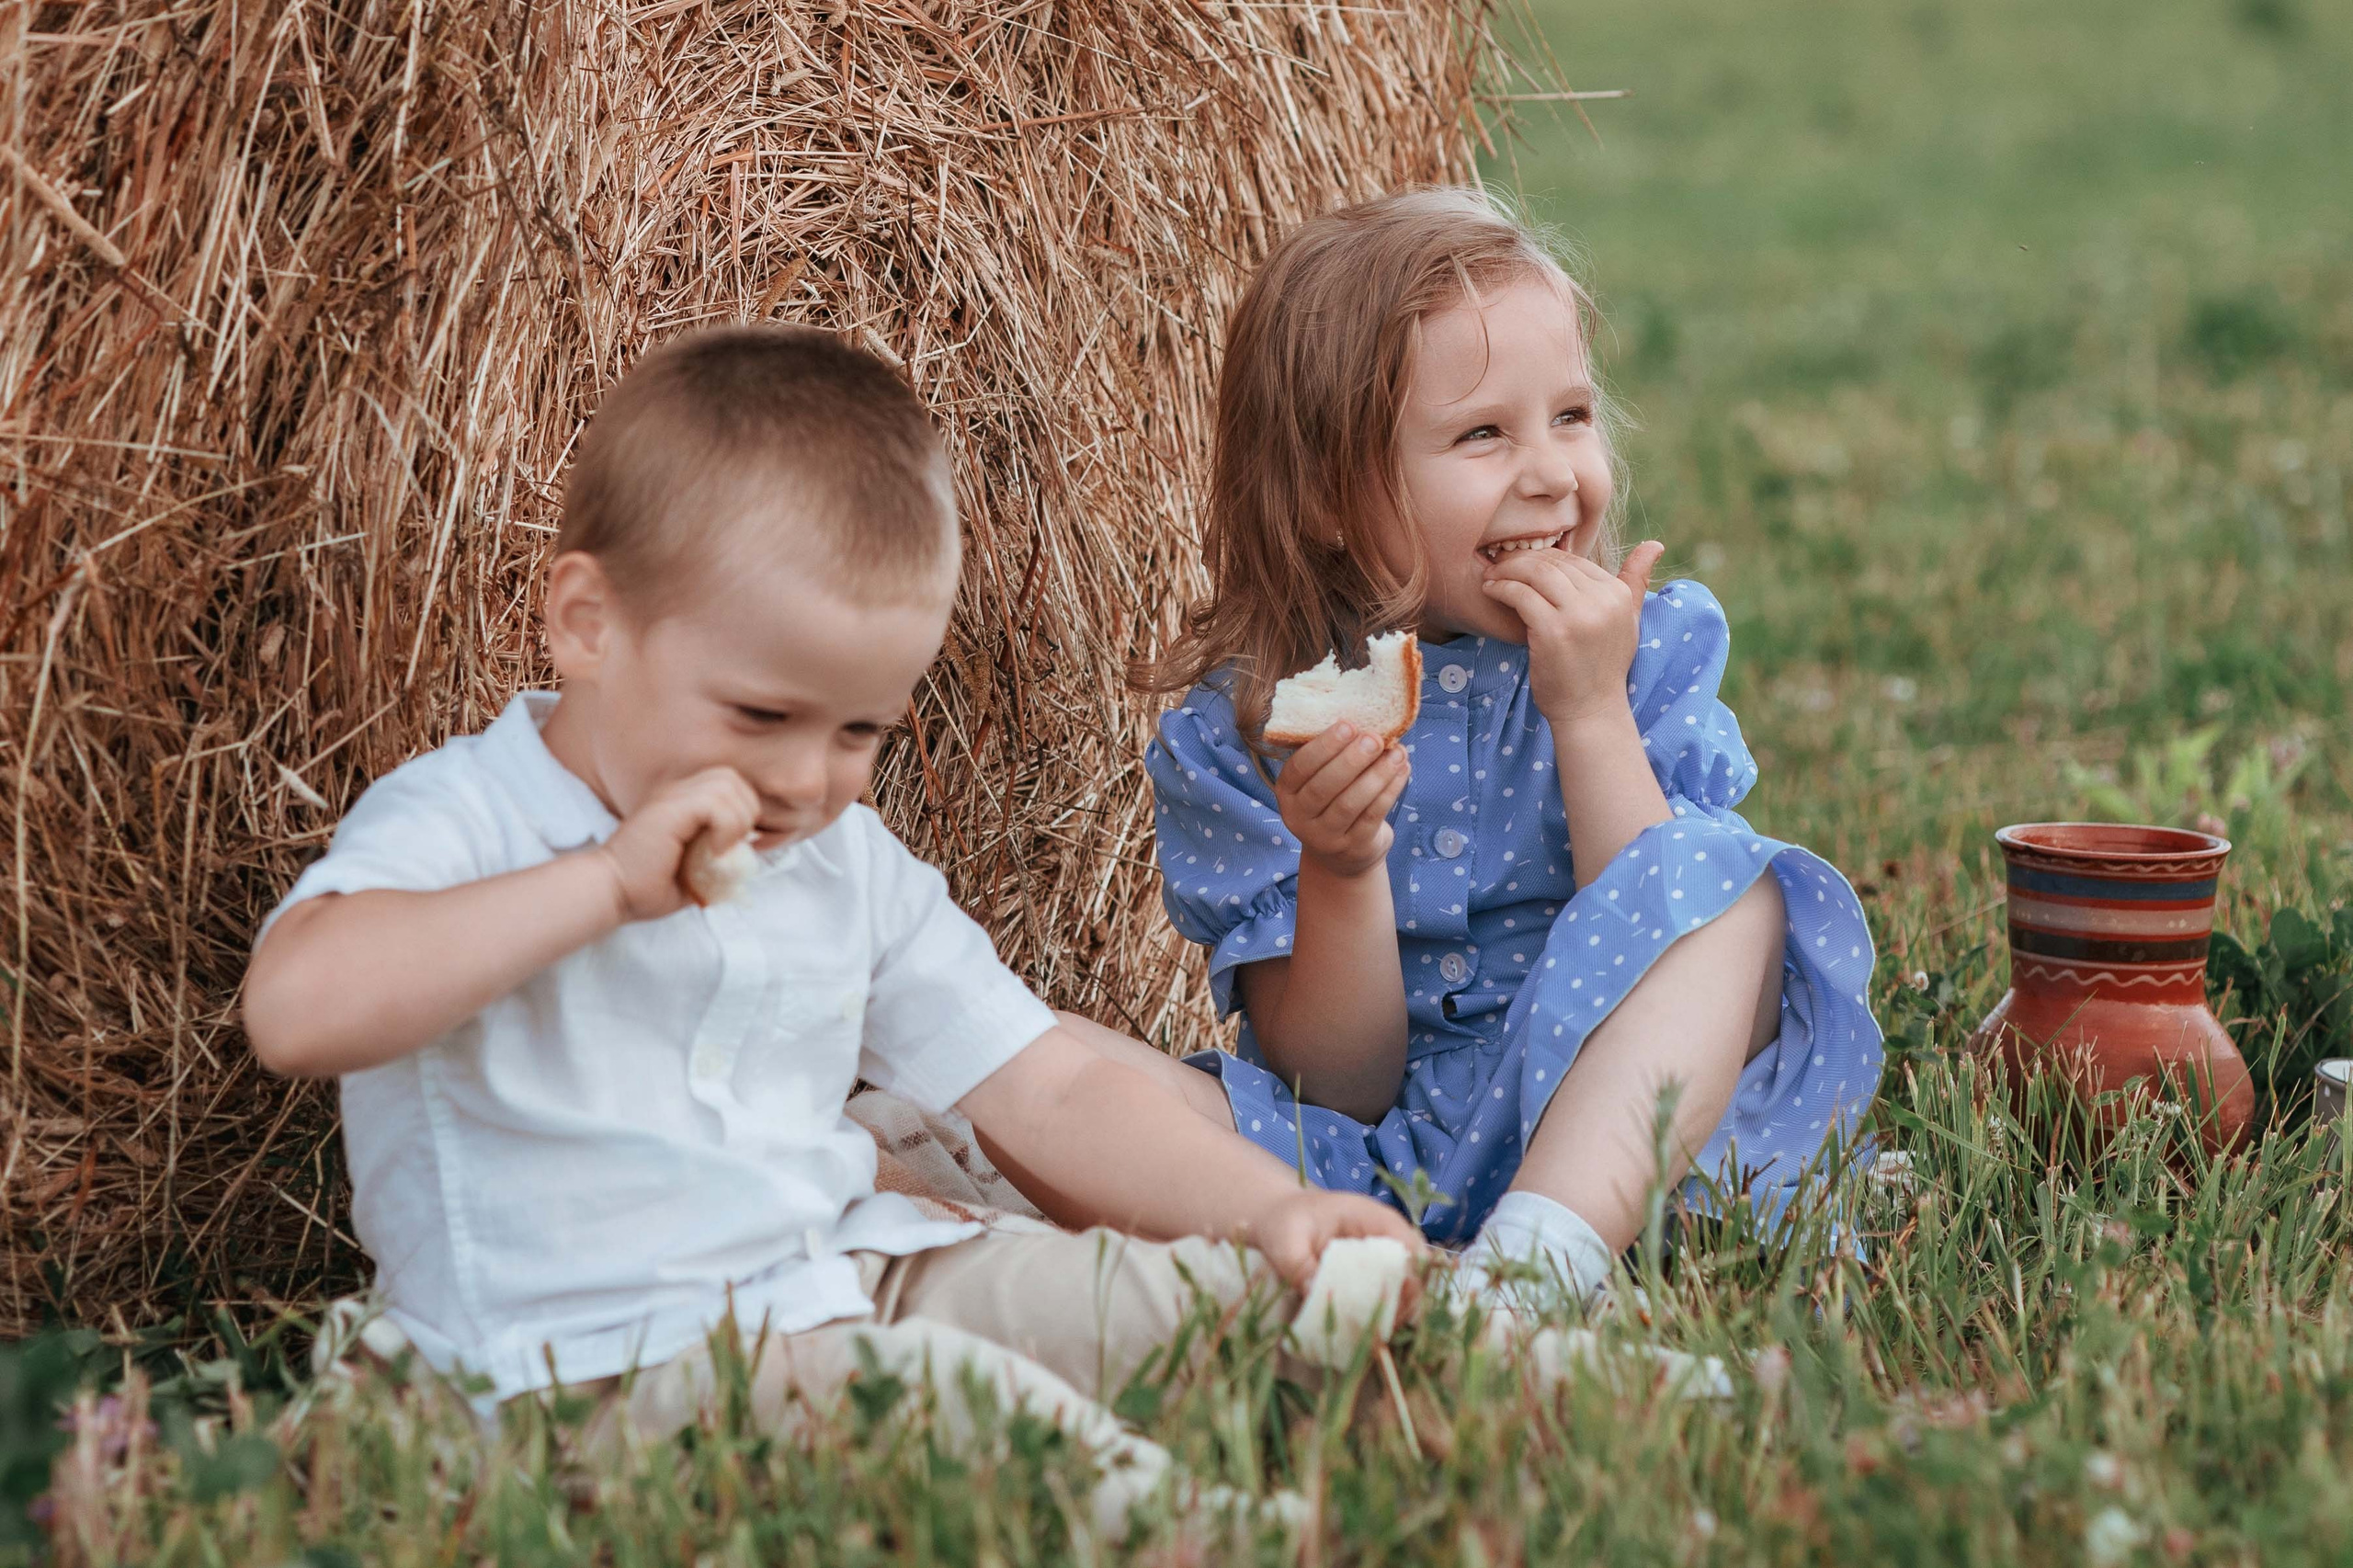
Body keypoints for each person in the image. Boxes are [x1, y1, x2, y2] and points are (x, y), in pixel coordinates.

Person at [241, 324, 1420, 1535]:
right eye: (763, 713)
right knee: (951, 1407)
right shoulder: (474, 815)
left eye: (863, 731)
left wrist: (1264, 1208)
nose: (810, 778)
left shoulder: (839, 861)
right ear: (587, 623)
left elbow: (1049, 1086)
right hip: (582, 1365)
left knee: (1177, 1305)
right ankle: (1223, 1538)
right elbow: (297, 1007)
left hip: (844, 1272)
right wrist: (600, 887)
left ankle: (1485, 1379)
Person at [1129, 187, 1885, 1305]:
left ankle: (1537, 1266)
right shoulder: (1253, 728)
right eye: (1483, 433)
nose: (1548, 471)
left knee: (1738, 895)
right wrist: (1341, 868)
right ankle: (1445, 1266)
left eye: (1571, 417)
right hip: (1385, 1160)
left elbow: (1656, 922)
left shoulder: (1645, 652)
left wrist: (1588, 710)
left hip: (1642, 1139)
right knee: (1055, 1064)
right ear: (1332, 496)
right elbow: (1332, 1085)